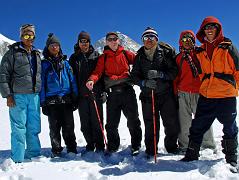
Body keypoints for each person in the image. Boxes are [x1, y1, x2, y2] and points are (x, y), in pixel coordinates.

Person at [181, 16, 239, 168]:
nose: (210, 30)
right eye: (207, 28)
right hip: (207, 96)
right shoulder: (200, 51)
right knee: (197, 126)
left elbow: (238, 71)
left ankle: (231, 158)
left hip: (227, 95)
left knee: (230, 127)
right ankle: (191, 155)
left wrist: (233, 87)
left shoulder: (229, 47)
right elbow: (200, 72)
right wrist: (207, 83)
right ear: (203, 31)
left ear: (218, 29)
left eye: (213, 27)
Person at [86, 32, 142, 155]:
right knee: (111, 124)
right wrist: (91, 80)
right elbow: (97, 72)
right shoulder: (103, 57)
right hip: (112, 95)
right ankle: (112, 146)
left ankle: (136, 145)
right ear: (106, 42)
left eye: (115, 39)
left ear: (118, 41)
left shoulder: (126, 54)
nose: (113, 41)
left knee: (133, 120)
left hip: (128, 91)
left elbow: (140, 60)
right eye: (110, 39)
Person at [131, 27, 180, 157]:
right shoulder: (139, 56)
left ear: (156, 39)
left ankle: (171, 147)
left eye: (152, 37)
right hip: (148, 96)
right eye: (146, 37)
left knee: (171, 123)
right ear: (142, 40)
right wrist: (143, 82)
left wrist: (161, 74)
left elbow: (174, 72)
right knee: (150, 125)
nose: (149, 40)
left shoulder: (165, 52)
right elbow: (134, 76)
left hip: (165, 94)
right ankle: (151, 150)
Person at [0, 24, 41, 163]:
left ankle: (34, 155)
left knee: (34, 127)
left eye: (31, 35)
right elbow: (3, 74)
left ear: (34, 37)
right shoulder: (12, 52)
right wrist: (8, 95)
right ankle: (17, 158)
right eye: (25, 35)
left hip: (34, 96)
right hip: (18, 96)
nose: (28, 37)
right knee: (18, 128)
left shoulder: (37, 54)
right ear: (21, 36)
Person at [174, 30, 216, 153]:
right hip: (183, 93)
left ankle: (208, 145)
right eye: (184, 40)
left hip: (200, 92)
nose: (187, 42)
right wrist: (175, 93)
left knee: (203, 119)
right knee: (184, 122)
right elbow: (176, 77)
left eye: (190, 39)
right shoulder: (178, 58)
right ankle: (184, 146)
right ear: (180, 42)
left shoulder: (200, 53)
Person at [40, 33, 78, 157]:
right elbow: (41, 84)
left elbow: (72, 80)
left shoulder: (65, 63)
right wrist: (43, 102)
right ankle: (56, 150)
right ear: (48, 47)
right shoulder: (44, 64)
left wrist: (75, 96)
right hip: (51, 102)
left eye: (56, 45)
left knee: (69, 126)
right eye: (52, 45)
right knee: (54, 128)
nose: (54, 47)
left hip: (66, 99)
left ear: (59, 47)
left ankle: (72, 149)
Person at [69, 31, 105, 153]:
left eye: (86, 41)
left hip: (95, 94)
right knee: (85, 124)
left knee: (97, 122)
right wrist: (73, 96)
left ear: (90, 42)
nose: (84, 44)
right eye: (81, 41)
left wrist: (104, 91)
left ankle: (100, 145)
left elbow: (102, 74)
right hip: (81, 96)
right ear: (78, 43)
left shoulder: (97, 56)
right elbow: (71, 78)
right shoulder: (74, 58)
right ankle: (90, 144)